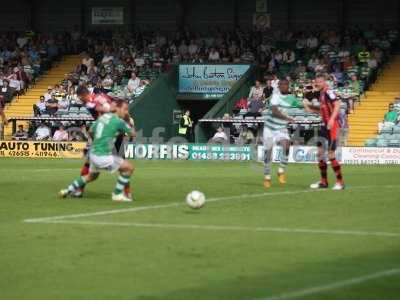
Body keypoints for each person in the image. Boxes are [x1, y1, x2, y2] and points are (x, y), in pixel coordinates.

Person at [59, 100, 135, 202]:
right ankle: (117, 194)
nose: (126, 112)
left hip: (93, 153)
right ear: (117, 108)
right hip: (103, 156)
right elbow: (133, 134)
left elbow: (90, 131)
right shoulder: (118, 121)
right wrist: (127, 120)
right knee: (129, 168)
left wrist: (98, 140)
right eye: (125, 109)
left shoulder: (102, 118)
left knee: (91, 177)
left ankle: (67, 190)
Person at [303, 74, 345, 190]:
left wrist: (331, 119)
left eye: (320, 82)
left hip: (333, 126)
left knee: (331, 154)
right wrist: (310, 108)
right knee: (320, 154)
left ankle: (340, 182)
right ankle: (324, 182)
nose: (317, 84)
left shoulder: (328, 92)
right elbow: (322, 111)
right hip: (324, 126)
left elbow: (337, 104)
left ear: (324, 82)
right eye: (316, 82)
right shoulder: (321, 94)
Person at [263, 79, 302, 188]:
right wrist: (287, 118)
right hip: (270, 128)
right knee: (268, 154)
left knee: (287, 145)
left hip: (281, 128)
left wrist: (314, 108)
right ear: (279, 86)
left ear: (288, 86)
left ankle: (281, 170)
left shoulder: (291, 98)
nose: (284, 86)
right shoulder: (274, 96)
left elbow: (302, 105)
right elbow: (275, 112)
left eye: (286, 85)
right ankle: (267, 177)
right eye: (282, 85)